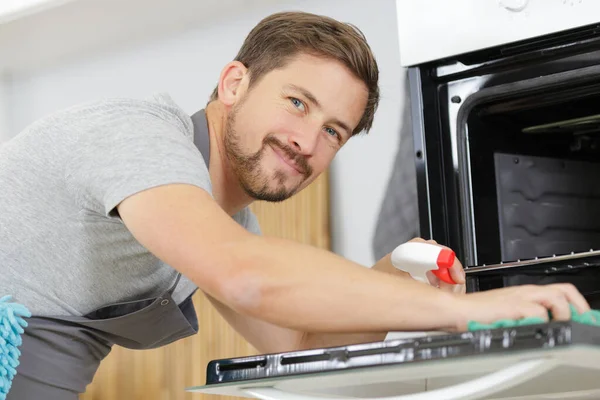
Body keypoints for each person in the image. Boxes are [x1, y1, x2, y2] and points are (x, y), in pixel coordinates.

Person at [0, 10, 589, 399]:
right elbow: (247, 275)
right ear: (234, 84)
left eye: (334, 131)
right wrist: (475, 313)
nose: (307, 142)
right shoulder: (136, 137)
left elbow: (297, 341)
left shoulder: (219, 219)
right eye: (298, 102)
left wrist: (389, 282)